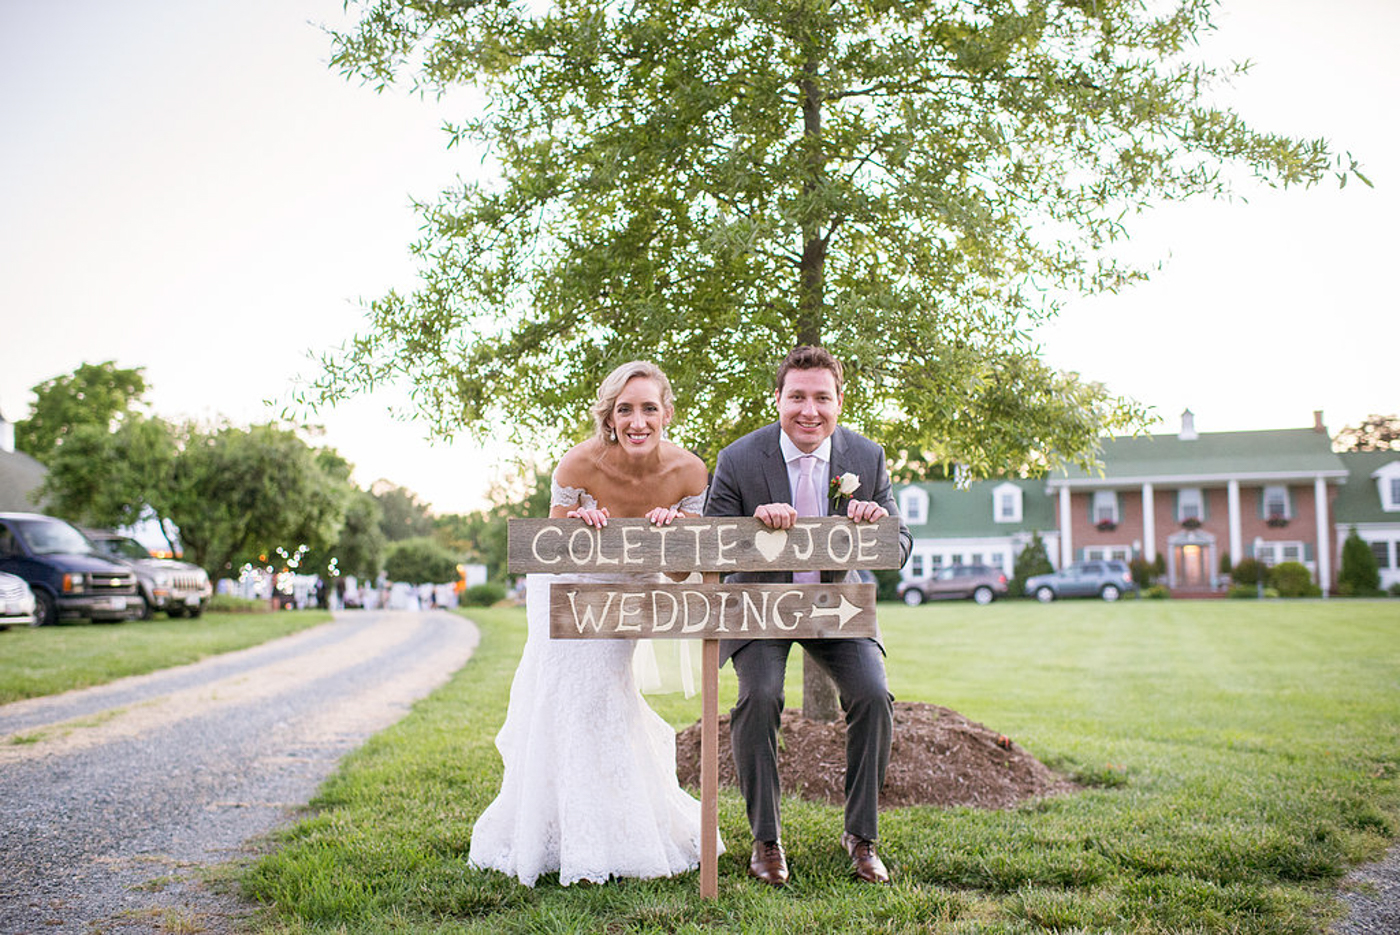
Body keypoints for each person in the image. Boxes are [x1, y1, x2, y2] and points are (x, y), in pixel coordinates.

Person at [468, 361, 720, 887]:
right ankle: (561, 832)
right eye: (625, 409)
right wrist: (578, 523)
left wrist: (673, 533)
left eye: (648, 408)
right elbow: (551, 549)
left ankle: (613, 827)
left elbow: (680, 573)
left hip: (631, 587)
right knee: (565, 696)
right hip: (570, 584)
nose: (637, 421)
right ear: (609, 416)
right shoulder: (578, 463)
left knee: (604, 697)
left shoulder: (690, 472)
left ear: (667, 413)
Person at [704, 345, 912, 886]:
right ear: (777, 398)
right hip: (762, 606)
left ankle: (860, 836)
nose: (809, 410)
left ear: (840, 401)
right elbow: (708, 546)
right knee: (759, 697)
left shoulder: (867, 456)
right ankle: (766, 840)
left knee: (873, 696)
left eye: (822, 397)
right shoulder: (738, 459)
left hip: (837, 605)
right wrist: (753, 525)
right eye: (797, 397)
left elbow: (900, 546)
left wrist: (876, 524)